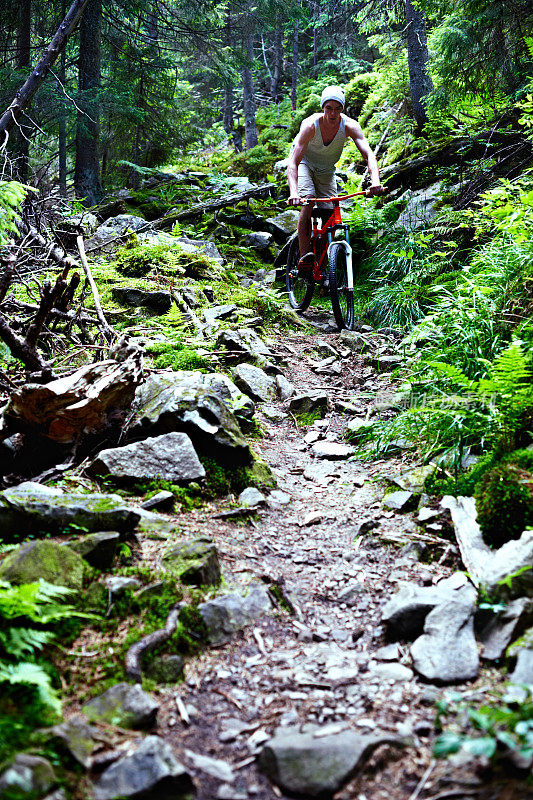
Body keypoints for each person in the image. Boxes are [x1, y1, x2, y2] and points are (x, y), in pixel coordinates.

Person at [287, 85, 384, 269]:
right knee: (307, 201)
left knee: (330, 212)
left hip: (327, 170)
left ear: (342, 109)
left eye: (337, 109)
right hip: (304, 164)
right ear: (323, 107)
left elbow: (369, 154)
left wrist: (376, 182)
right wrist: (294, 193)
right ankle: (304, 257)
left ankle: (323, 265)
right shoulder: (310, 126)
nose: (333, 113)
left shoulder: (350, 126)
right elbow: (293, 162)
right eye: (329, 108)